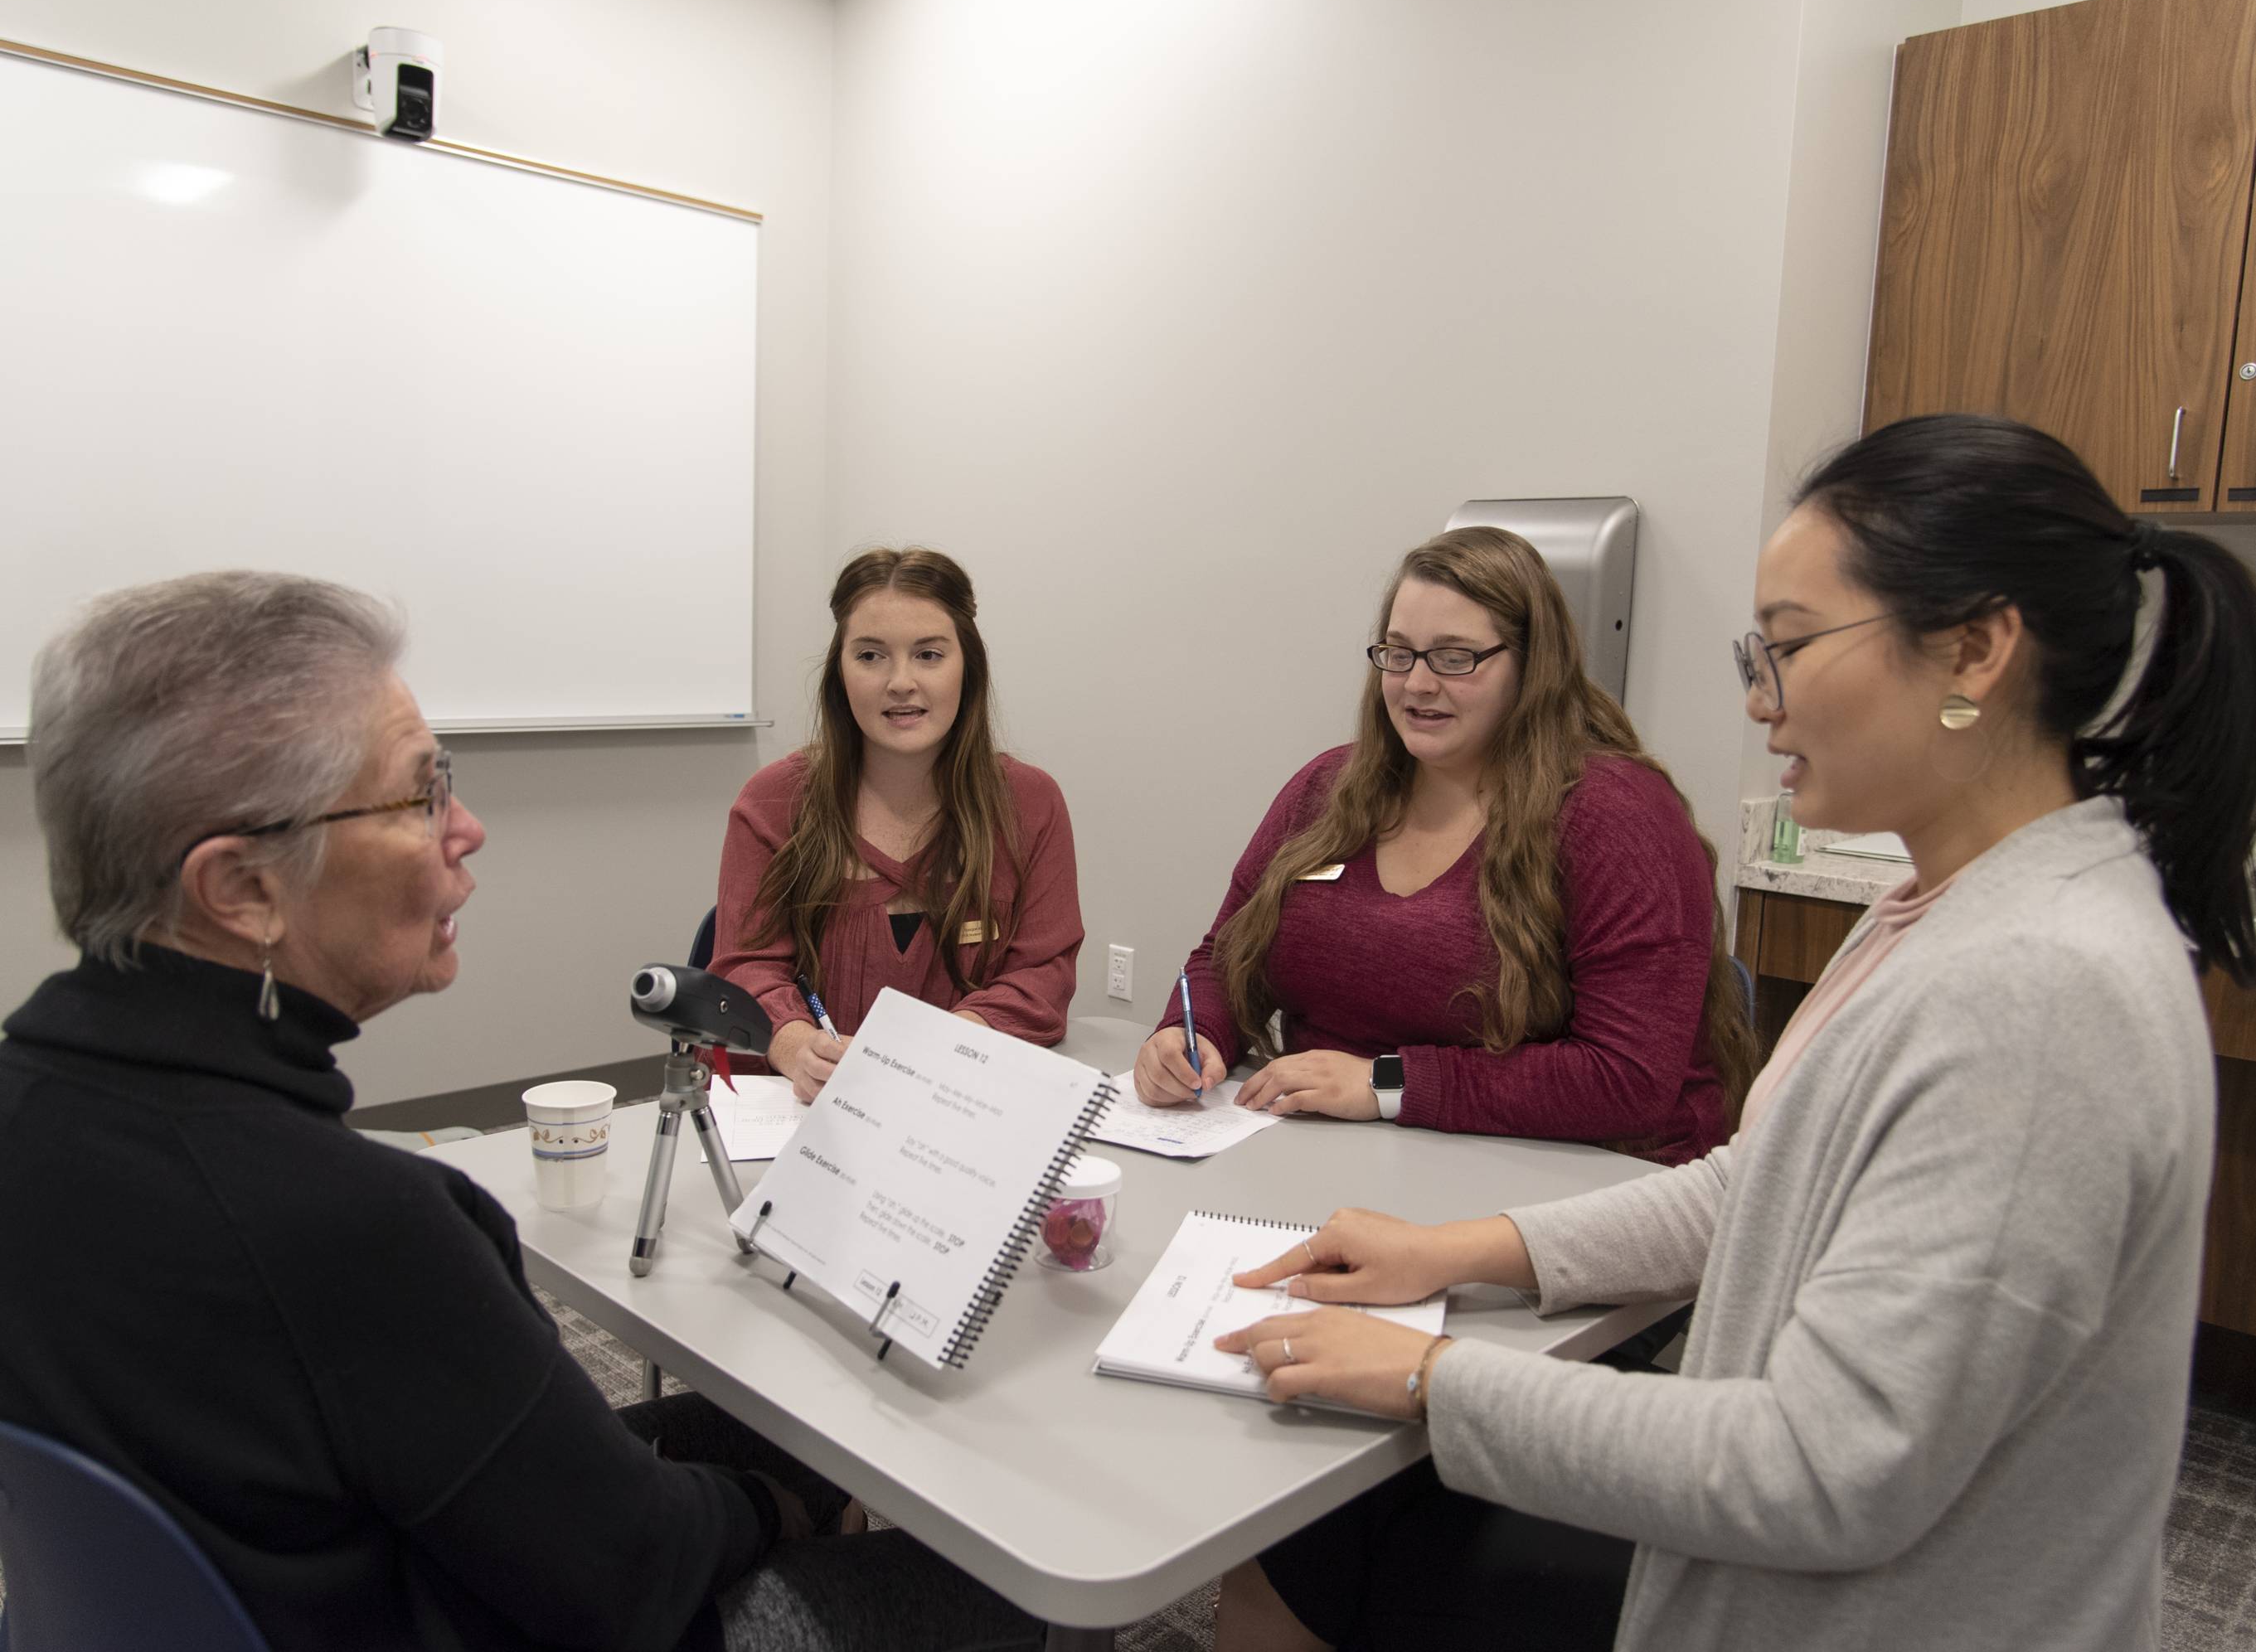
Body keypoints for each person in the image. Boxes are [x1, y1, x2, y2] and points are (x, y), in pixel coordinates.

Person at [1208, 414, 2255, 1652]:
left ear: (1975, 650)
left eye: (1795, 647)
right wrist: (1453, 1252)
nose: (1760, 701)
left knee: (1349, 1513)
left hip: (1867, 1604)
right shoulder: (1943, 904)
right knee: (1319, 1532)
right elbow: (1755, 1188)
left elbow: (1828, 1469)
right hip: (1785, 1562)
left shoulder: (2038, 988)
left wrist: (1427, 1380)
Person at [0, 572, 1039, 1652]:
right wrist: (794, 1513)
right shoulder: (359, 1227)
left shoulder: (35, 1109)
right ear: (242, 890)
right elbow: (630, 1571)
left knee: (746, 1433)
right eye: (419, 794)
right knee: (1000, 1574)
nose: (470, 828)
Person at [1133, 526, 1754, 1167]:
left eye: (1454, 658)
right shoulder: (1328, 789)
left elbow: (1626, 1079)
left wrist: (1384, 1084)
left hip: (1573, 1179)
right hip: (1342, 1158)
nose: (1418, 685)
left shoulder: (1614, 814)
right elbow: (1225, 960)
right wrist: (1192, 1033)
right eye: (1398, 654)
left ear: (1529, 666)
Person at [711, 547, 1082, 1100]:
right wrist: (794, 1046)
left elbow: (1042, 977)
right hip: (801, 1110)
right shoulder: (773, 801)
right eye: (870, 656)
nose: (901, 682)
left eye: (929, 654)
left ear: (967, 667)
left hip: (959, 1101)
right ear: (840, 671)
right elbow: (746, 966)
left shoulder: (1029, 803)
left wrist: (932, 1053)